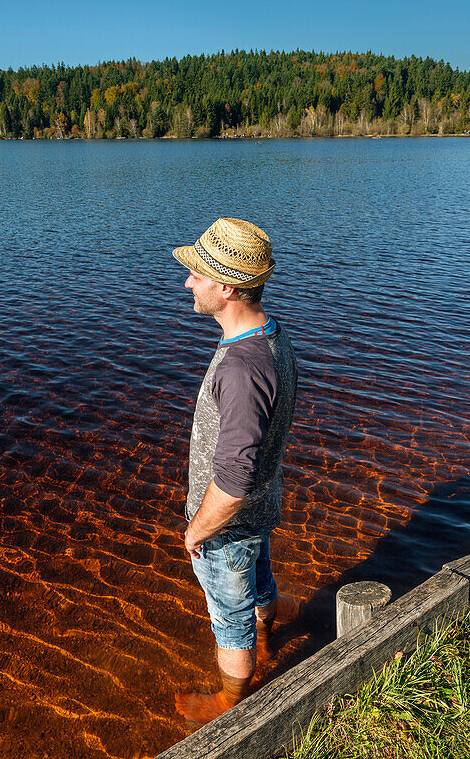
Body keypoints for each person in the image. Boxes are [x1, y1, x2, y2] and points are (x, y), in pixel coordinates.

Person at [170, 217, 298, 724]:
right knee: (260, 579)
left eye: (197, 274)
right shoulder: (271, 335)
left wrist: (197, 529)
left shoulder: (241, 369)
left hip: (229, 523)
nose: (187, 282)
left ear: (226, 288)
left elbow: (233, 479)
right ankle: (267, 642)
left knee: (229, 619)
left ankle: (231, 706)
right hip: (263, 504)